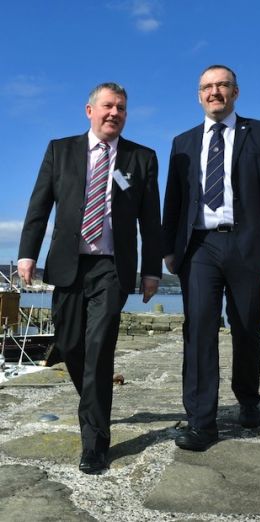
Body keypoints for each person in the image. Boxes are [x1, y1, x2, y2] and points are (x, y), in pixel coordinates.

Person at [18, 82, 162, 474]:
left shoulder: (141, 158)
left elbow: (151, 220)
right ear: (89, 111)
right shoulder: (59, 150)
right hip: (67, 265)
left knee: (99, 348)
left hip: (111, 267)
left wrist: (152, 270)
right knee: (68, 342)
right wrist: (26, 252)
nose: (114, 113)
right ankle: (94, 404)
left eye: (121, 108)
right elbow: (38, 205)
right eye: (108, 106)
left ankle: (95, 442)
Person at [162, 65, 260, 451]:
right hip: (199, 247)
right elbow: (174, 201)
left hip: (248, 244)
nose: (215, 92)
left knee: (247, 326)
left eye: (222, 85)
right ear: (199, 95)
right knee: (198, 330)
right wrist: (167, 248)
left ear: (236, 92)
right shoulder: (182, 141)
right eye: (207, 87)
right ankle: (202, 423)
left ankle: (248, 399)